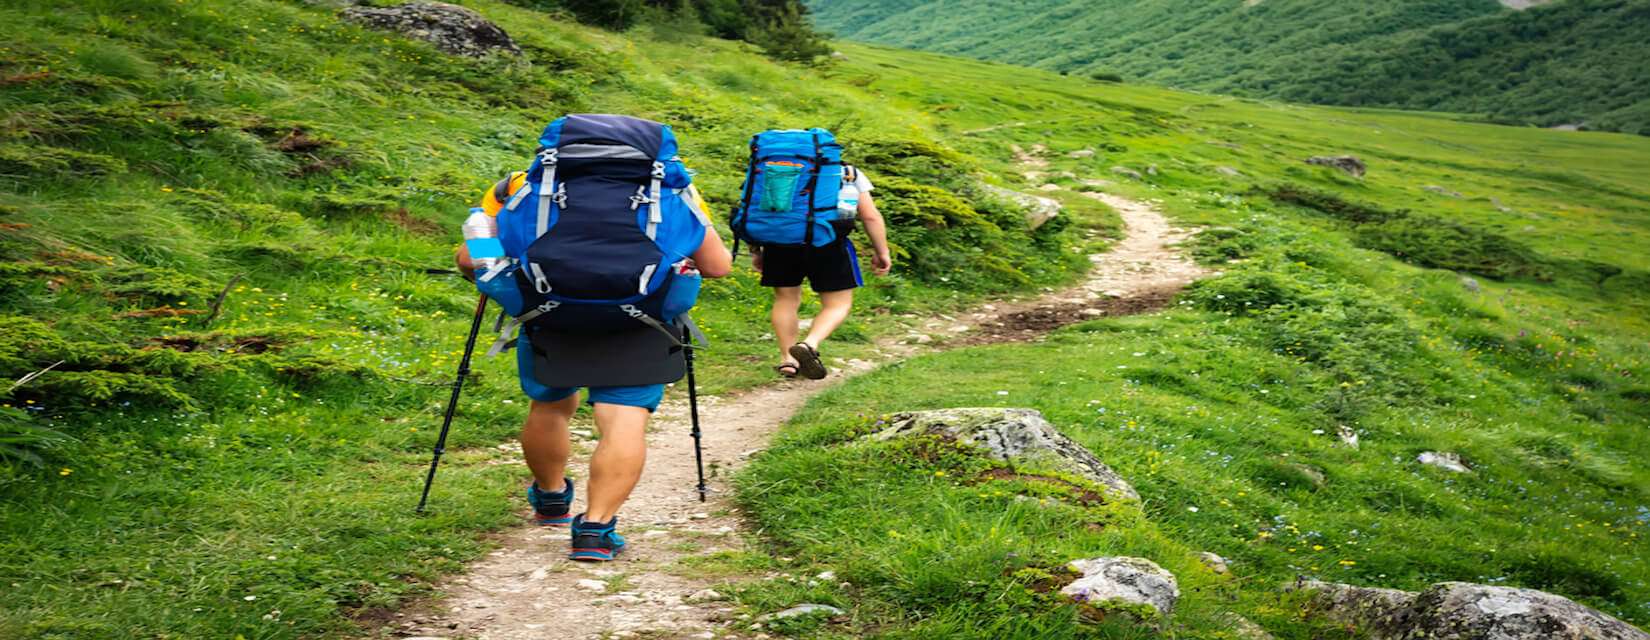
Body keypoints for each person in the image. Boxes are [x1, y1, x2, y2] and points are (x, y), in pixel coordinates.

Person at [456, 170, 731, 562]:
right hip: (642, 321)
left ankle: (551, 499)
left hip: (549, 315)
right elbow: (718, 265)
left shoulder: (521, 184)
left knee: (549, 405)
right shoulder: (671, 188)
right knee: (624, 417)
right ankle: (595, 531)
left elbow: (471, 258)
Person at [754, 164, 892, 379]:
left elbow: (756, 211)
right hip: (829, 242)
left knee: (786, 301)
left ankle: (788, 361)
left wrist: (756, 250)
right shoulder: (848, 173)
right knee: (838, 304)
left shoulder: (772, 170)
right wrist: (882, 251)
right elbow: (870, 216)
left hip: (780, 242)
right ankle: (809, 344)